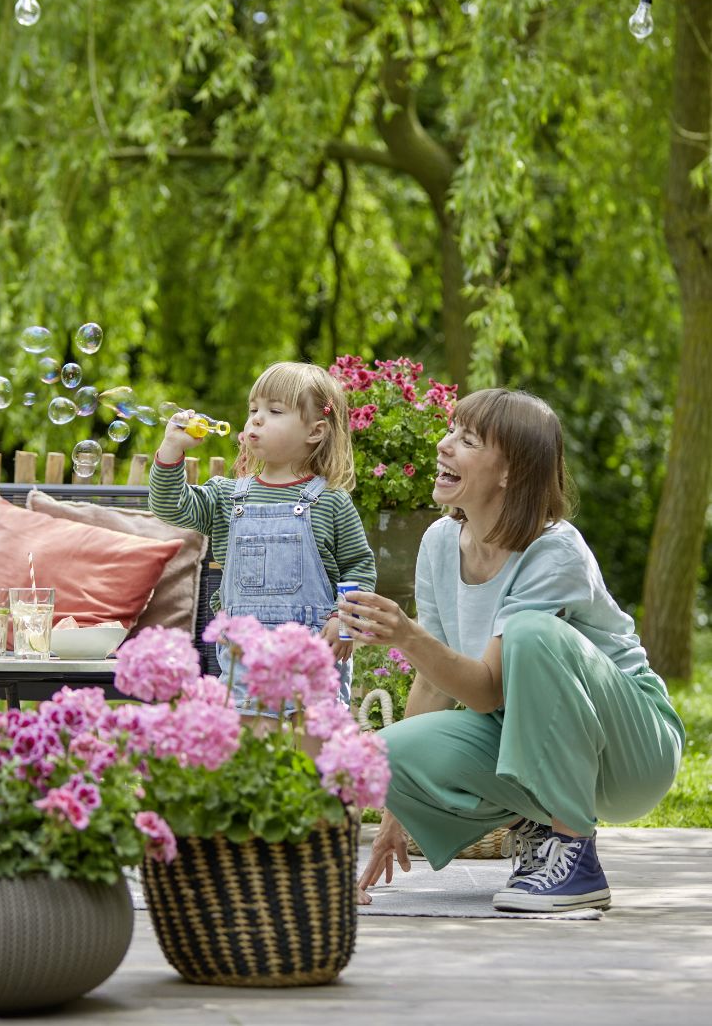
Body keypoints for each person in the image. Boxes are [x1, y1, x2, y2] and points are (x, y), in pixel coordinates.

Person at [341, 388, 684, 913]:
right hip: (529, 739)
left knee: (529, 632)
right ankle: (538, 828)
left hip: (632, 750)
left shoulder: (555, 550)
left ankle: (575, 856)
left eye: (467, 439)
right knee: (381, 755)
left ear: (510, 473)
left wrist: (407, 635)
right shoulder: (438, 544)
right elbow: (435, 680)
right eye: (451, 430)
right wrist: (396, 817)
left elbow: (485, 690)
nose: (444, 445)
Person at [149, 361, 376, 714]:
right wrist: (171, 449)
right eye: (253, 409)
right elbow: (169, 506)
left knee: (310, 755)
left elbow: (359, 566)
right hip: (244, 666)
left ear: (315, 432)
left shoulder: (331, 501)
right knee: (251, 752)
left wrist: (343, 620)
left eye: (274, 411)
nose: (256, 418)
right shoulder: (227, 498)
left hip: (313, 664)